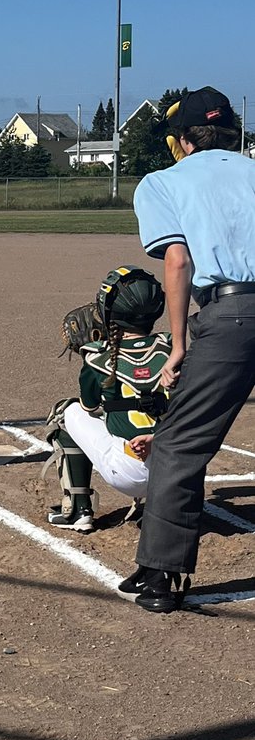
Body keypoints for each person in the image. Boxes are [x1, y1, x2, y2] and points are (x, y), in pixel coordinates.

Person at [119, 86, 255, 613]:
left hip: (232, 315)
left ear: (183, 140)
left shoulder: (163, 181)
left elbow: (177, 260)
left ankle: (162, 572)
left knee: (179, 442)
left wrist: (178, 344)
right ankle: (152, 563)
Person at [45, 267, 171, 533]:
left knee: (66, 413)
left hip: (129, 471)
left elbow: (89, 406)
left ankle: (78, 510)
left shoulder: (97, 356)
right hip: (177, 470)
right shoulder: (174, 347)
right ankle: (164, 507)